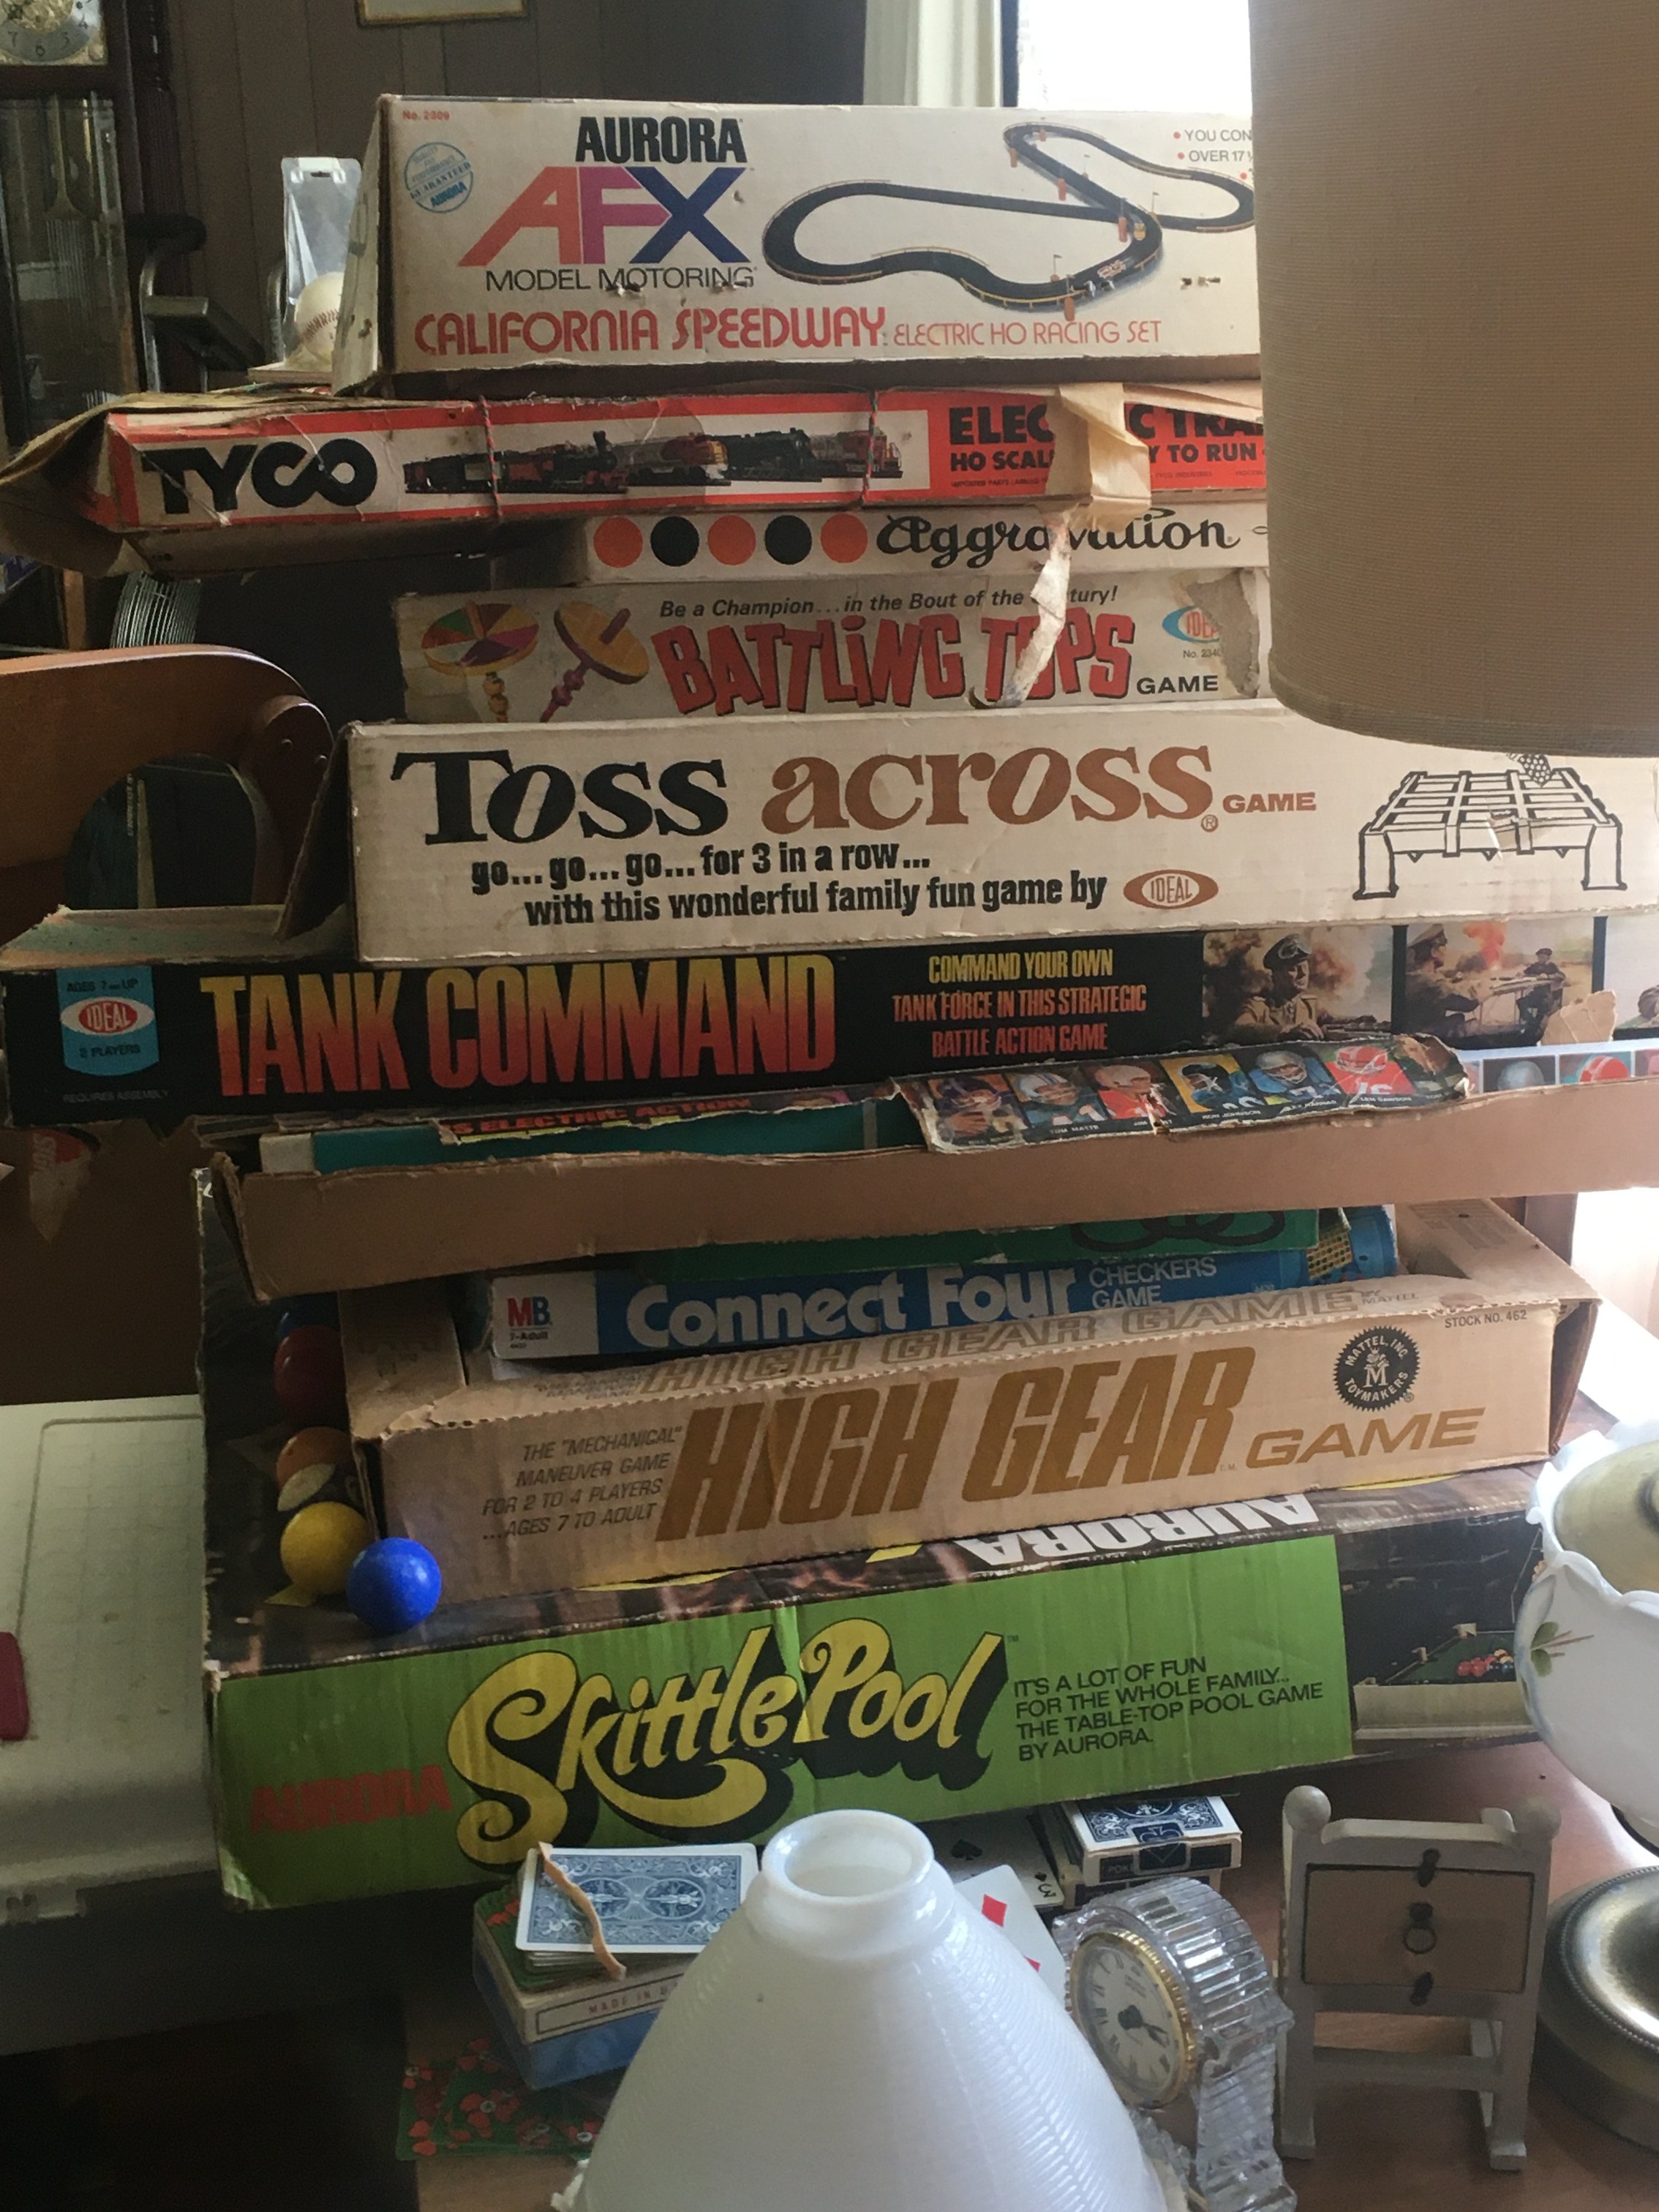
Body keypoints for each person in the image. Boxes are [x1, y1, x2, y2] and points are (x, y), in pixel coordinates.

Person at [1230, 934, 1325, 1041]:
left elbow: (1335, 1022)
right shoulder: (1259, 1007)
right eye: (1294, 969)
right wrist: (1286, 1031)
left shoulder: (1311, 1006)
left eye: (1305, 967)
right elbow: (1239, 1029)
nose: (1303, 974)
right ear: (1277, 976)